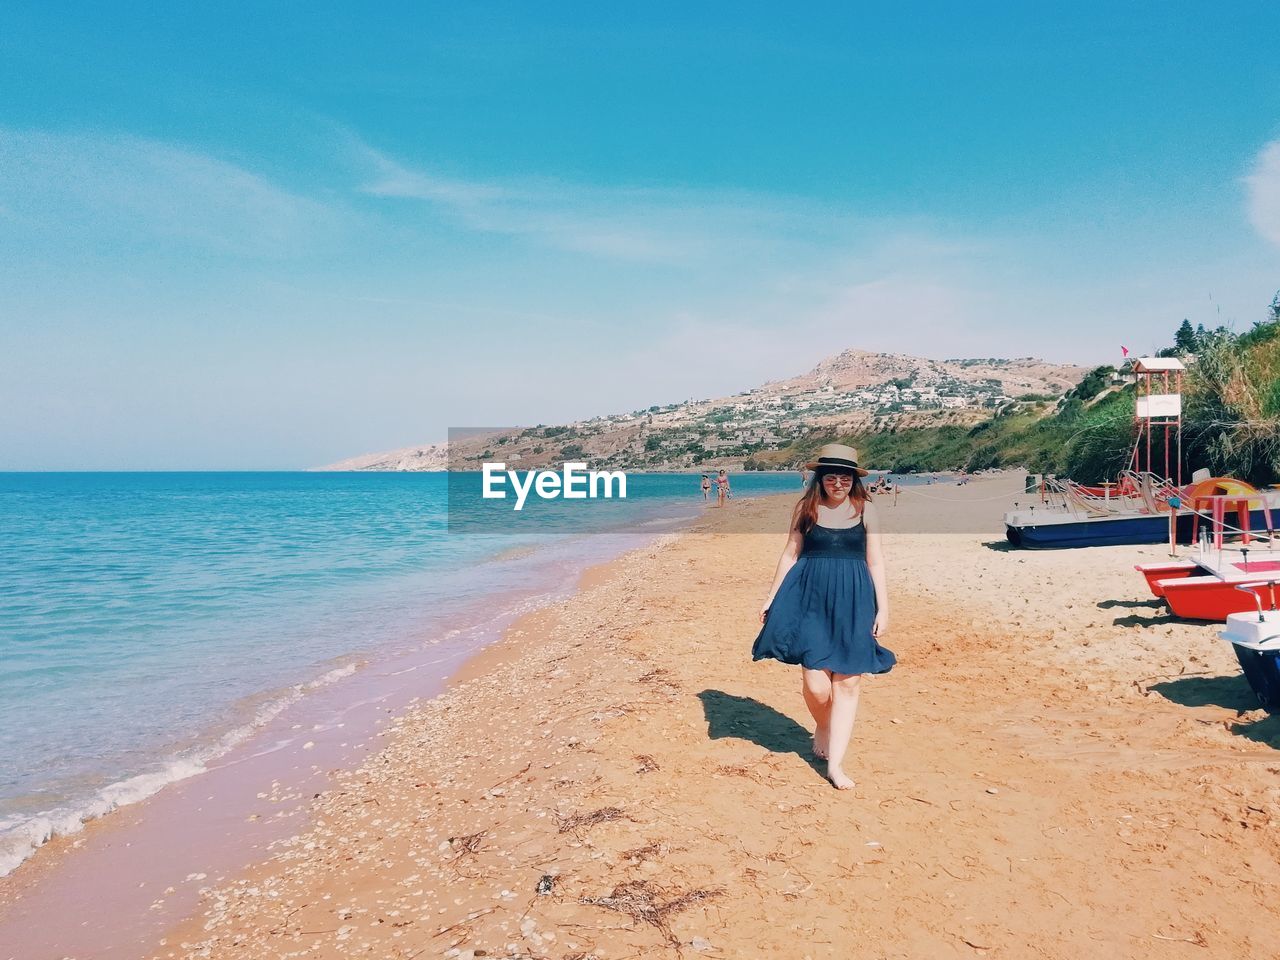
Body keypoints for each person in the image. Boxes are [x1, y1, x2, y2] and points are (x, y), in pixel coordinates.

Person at [751, 443, 894, 791]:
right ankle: (823, 725)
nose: (838, 482)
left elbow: (875, 561)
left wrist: (884, 607)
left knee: (847, 683)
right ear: (821, 478)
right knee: (817, 686)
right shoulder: (806, 508)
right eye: (831, 476)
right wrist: (771, 597)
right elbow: (790, 553)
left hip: (854, 600)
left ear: (854, 480)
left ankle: (836, 765)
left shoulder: (865, 511)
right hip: (809, 599)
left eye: (845, 477)